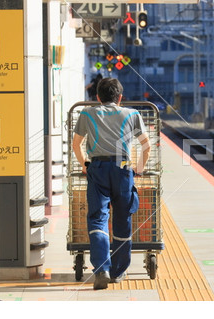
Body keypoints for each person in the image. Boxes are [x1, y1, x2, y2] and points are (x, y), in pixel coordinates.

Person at [72, 77, 151, 289]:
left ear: (97, 97)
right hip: (123, 169)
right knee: (122, 218)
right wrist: (139, 169)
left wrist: (84, 164)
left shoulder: (87, 113)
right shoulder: (132, 114)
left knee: (98, 218)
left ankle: (101, 270)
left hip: (97, 168)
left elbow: (76, 144)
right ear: (120, 98)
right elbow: (146, 145)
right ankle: (118, 272)